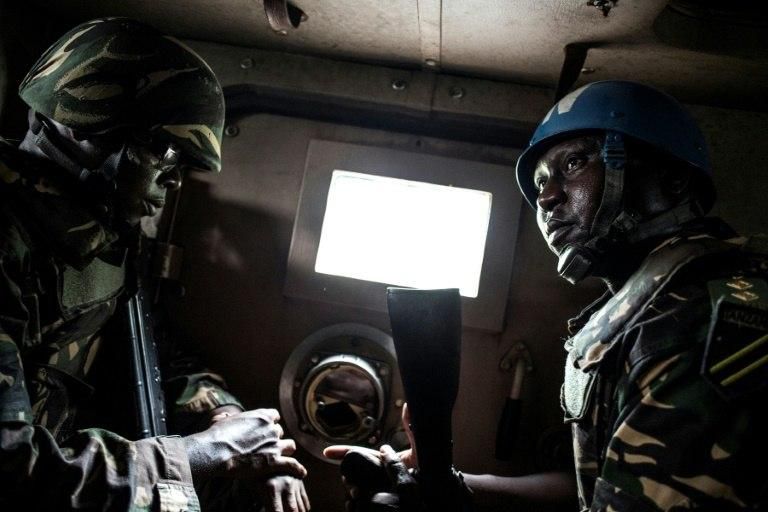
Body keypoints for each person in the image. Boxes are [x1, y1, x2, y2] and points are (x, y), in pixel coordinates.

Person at [325, 80, 768, 511]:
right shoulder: (643, 309)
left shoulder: (703, 319)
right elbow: (595, 485)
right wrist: (444, 485)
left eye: (575, 164)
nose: (548, 198)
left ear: (672, 179)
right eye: (539, 184)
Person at [0, 18, 309, 511]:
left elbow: (164, 358)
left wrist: (232, 425)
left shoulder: (108, 239)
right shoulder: (10, 240)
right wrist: (199, 458)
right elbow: (12, 467)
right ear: (84, 129)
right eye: (164, 153)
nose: (172, 184)